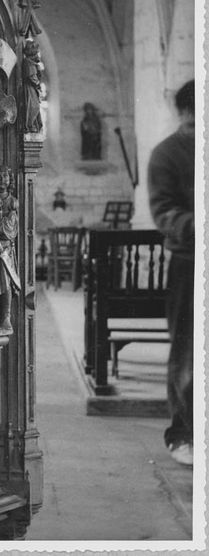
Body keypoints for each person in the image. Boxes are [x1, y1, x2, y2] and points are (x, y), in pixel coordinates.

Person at [147, 79, 195, 466]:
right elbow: (164, 211)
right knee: (188, 351)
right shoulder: (167, 153)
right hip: (190, 261)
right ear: (184, 114)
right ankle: (183, 434)